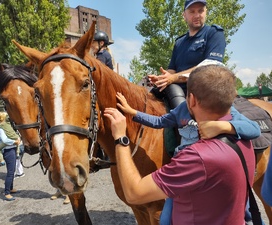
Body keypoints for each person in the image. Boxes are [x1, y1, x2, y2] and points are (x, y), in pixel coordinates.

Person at [104, 65, 256, 225]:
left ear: (191, 99)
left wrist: (120, 137)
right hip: (191, 168)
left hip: (191, 165)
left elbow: (134, 193)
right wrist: (133, 112)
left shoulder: (198, 153)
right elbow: (160, 121)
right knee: (165, 219)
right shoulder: (185, 110)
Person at [149, 0, 226, 109]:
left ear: (206, 12)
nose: (197, 15)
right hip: (176, 92)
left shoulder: (214, 33)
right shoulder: (179, 42)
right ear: (184, 15)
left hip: (203, 95)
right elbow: (172, 70)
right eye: (192, 12)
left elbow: (210, 67)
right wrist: (162, 78)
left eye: (200, 11)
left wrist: (173, 78)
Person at [0, 112, 21, 201]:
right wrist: (15, 142)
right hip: (8, 150)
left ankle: (10, 188)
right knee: (10, 172)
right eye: (7, 117)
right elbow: (5, 139)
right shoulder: (0, 128)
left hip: (13, 149)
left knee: (12, 171)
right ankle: (7, 193)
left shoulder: (8, 127)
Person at [0, 115, 25, 179]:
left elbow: (5, 139)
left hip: (15, 145)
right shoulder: (15, 125)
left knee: (14, 161)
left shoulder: (6, 127)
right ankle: (20, 173)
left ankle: (12, 175)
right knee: (18, 159)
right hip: (20, 144)